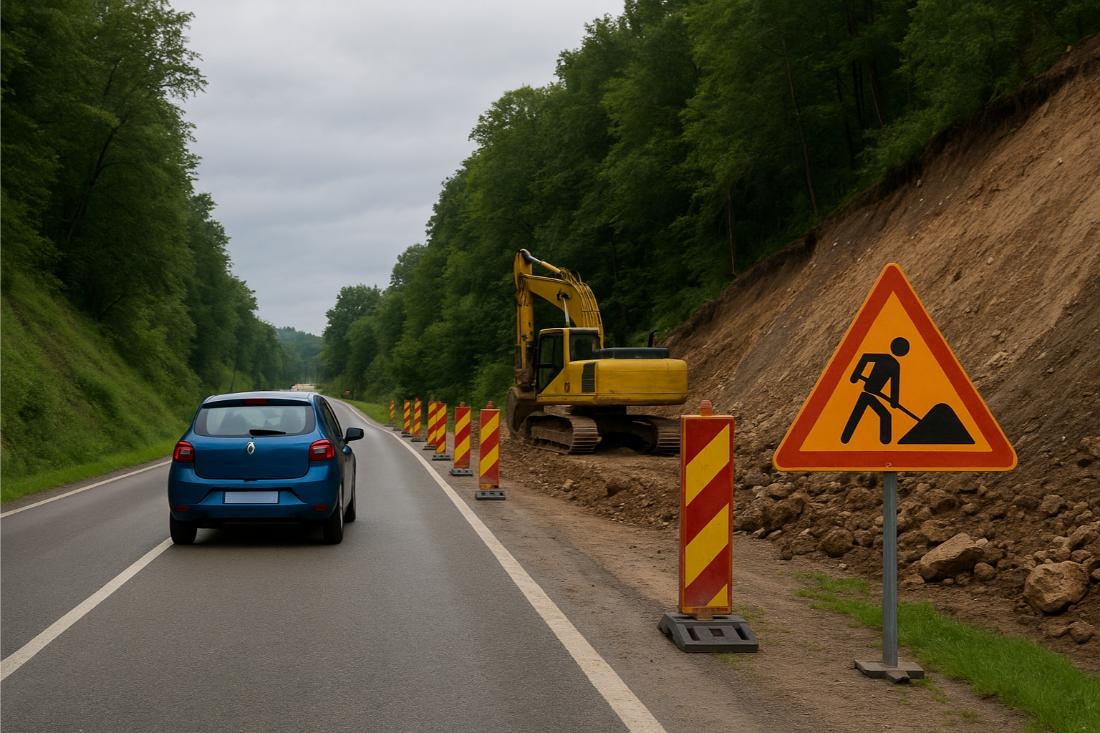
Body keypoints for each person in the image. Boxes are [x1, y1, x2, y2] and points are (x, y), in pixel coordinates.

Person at [841, 337, 910, 445]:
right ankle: (884, 445)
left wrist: (894, 401)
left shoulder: (889, 361)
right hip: (868, 393)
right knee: (884, 416)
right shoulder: (893, 364)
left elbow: (894, 386)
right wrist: (855, 375)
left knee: (860, 415)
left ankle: (844, 440)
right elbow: (865, 357)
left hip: (870, 394)